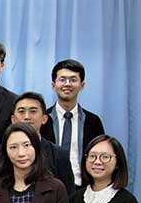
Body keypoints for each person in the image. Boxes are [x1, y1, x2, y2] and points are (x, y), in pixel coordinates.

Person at [40, 59, 106, 190]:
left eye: (73, 80)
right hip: (49, 187)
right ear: (53, 85)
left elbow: (100, 155)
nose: (67, 84)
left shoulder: (93, 122)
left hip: (83, 188)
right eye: (62, 79)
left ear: (82, 85)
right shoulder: (43, 120)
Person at [10, 92, 75, 196]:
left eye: (33, 111)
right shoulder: (4, 152)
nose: (27, 117)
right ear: (13, 120)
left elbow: (68, 195)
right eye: (21, 111)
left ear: (44, 119)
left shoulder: (59, 154)